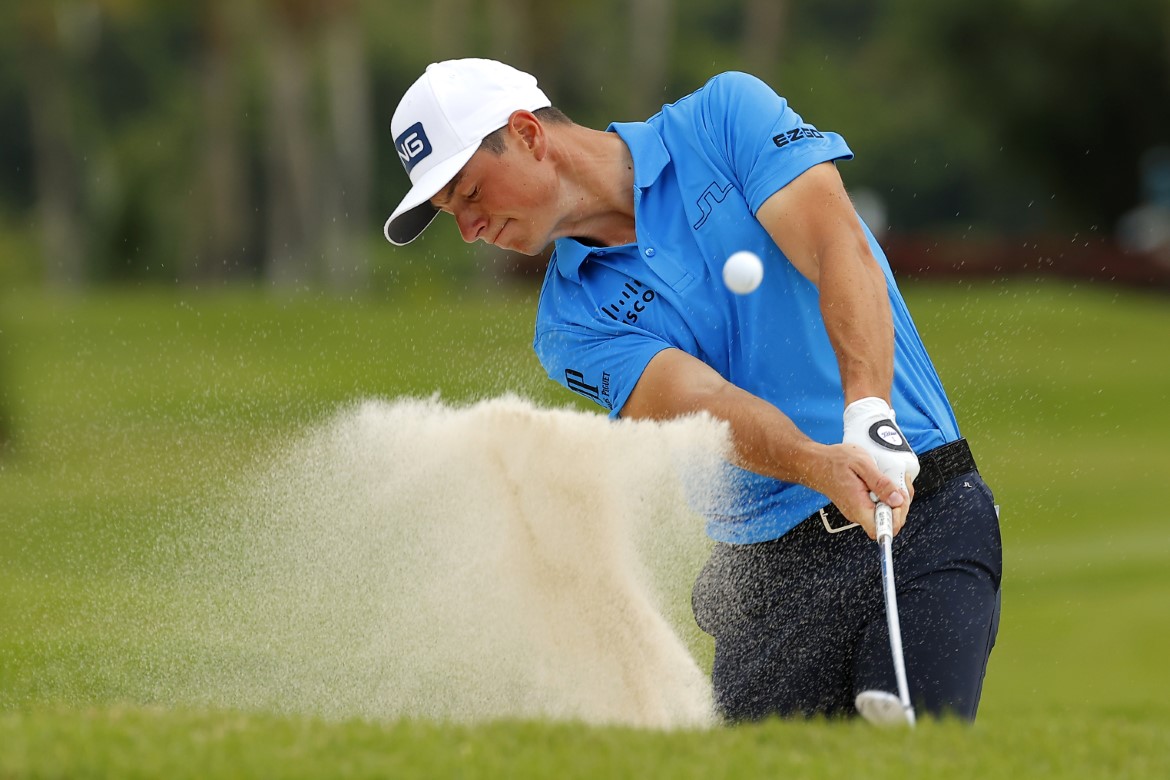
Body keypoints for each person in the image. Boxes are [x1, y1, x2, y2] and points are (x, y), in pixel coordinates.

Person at [383, 58, 1002, 722]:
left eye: (470, 195)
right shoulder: (570, 323)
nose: (470, 229)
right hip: (766, 580)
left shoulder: (726, 118)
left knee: (917, 748)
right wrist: (819, 463)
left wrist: (869, 413)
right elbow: (700, 405)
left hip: (912, 509)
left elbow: (835, 245)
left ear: (529, 134)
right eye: (453, 213)